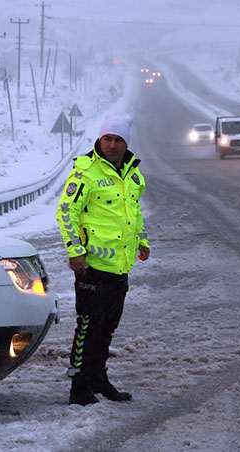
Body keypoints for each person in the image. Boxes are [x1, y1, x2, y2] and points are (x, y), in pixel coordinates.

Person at [56, 113, 150, 405]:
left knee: (107, 327)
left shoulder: (132, 175)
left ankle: (98, 379)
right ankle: (78, 387)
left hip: (119, 267)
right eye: (107, 138)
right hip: (91, 267)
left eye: (118, 140)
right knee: (88, 326)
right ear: (100, 140)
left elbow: (132, 214)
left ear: (126, 144)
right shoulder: (86, 173)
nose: (112, 144)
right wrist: (75, 252)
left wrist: (142, 240)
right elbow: (66, 212)